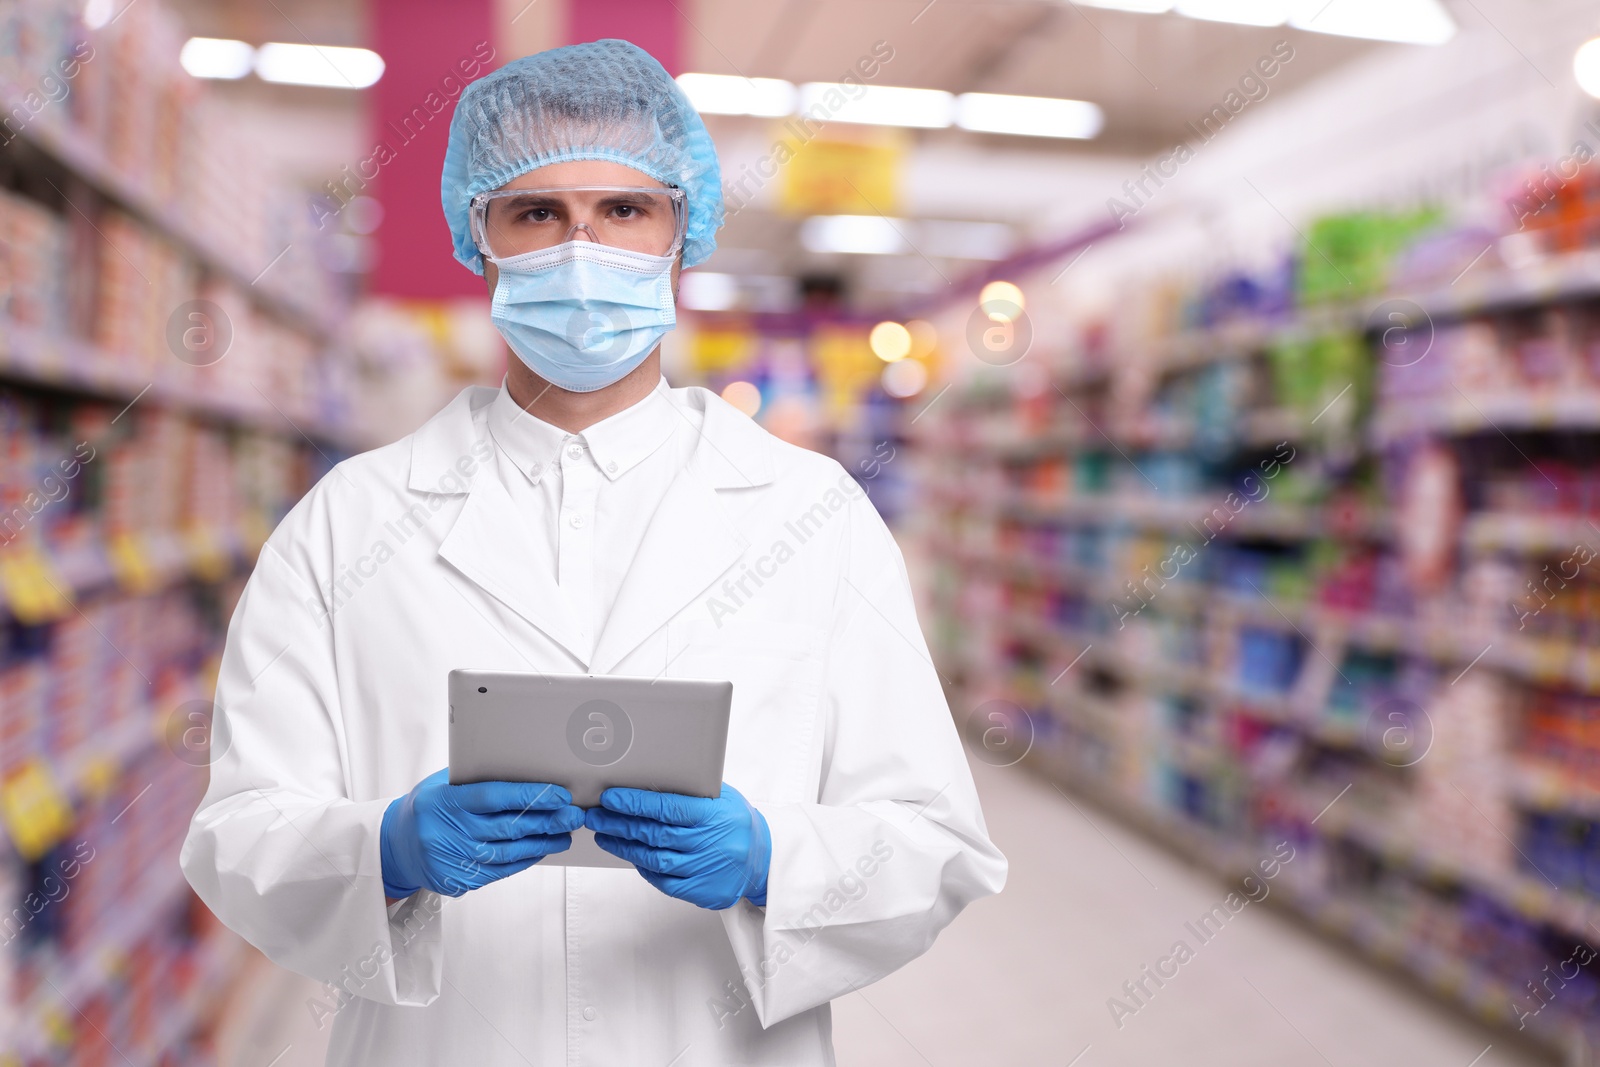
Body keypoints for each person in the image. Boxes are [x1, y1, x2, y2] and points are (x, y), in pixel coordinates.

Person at [180, 38, 1005, 1066]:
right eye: (536, 213)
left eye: (623, 211)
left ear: (681, 232)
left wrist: (771, 858)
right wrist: (383, 848)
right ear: (477, 238)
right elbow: (237, 833)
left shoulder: (812, 515)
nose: (582, 249)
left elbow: (936, 842)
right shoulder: (348, 521)